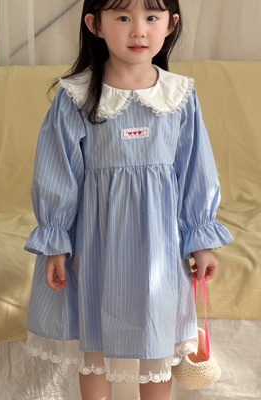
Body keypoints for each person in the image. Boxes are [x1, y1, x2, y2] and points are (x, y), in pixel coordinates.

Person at [24, 0, 234, 399]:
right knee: (95, 346)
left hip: (160, 245)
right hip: (95, 243)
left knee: (157, 343)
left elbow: (196, 171)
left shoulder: (179, 96)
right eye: (123, 17)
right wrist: (55, 243)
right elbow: (57, 173)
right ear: (95, 25)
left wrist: (201, 240)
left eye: (151, 17)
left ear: (170, 24)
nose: (138, 29)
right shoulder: (76, 96)